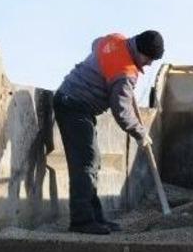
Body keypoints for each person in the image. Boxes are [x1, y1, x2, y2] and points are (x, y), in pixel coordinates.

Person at [53, 30, 164, 235]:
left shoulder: (115, 39)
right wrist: (141, 134)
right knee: (86, 162)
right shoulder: (125, 72)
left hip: (73, 102)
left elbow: (96, 44)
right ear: (141, 51)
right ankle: (81, 221)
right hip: (74, 105)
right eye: (149, 60)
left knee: (92, 161)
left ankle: (95, 217)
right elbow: (121, 111)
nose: (148, 65)